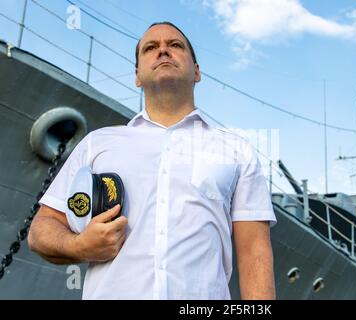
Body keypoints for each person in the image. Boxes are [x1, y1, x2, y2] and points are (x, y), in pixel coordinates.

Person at [27, 22, 277, 300]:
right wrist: (78, 246)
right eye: (151, 48)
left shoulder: (236, 150)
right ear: (137, 75)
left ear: (197, 71)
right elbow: (42, 228)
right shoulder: (96, 144)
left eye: (175, 45)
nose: (163, 52)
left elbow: (254, 251)